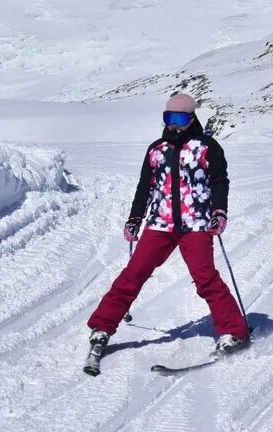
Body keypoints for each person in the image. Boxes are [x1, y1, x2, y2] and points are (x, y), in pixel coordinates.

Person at [86, 94, 249, 360]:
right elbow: (145, 188)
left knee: (205, 278)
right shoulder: (156, 149)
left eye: (180, 118)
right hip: (160, 223)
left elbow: (220, 181)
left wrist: (219, 212)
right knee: (133, 274)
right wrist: (135, 218)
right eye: (169, 118)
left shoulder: (207, 147)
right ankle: (102, 326)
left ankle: (234, 331)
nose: (174, 125)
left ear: (192, 118)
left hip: (196, 223)